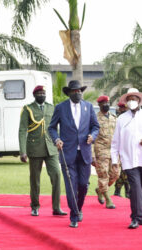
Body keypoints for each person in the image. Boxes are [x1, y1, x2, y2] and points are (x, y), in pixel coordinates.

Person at [48, 80, 99, 228]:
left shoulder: (88, 107)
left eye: (79, 91)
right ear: (69, 93)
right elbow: (51, 127)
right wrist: (56, 139)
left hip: (84, 152)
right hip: (67, 153)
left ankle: (78, 208)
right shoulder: (61, 108)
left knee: (83, 185)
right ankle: (74, 215)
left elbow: (95, 126)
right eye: (74, 92)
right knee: (71, 185)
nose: (77, 94)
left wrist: (92, 136)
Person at [111, 88, 142, 229]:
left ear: (139, 100)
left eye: (134, 99)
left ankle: (140, 215)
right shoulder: (121, 119)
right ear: (126, 102)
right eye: (129, 99)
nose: (132, 101)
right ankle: (135, 218)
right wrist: (115, 161)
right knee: (135, 188)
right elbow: (115, 142)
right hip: (129, 160)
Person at [19, 85, 67, 217]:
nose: (42, 95)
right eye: (39, 93)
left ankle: (56, 207)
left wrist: (59, 140)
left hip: (51, 148)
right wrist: (22, 151)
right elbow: (23, 130)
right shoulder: (28, 109)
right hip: (34, 148)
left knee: (57, 175)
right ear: (34, 95)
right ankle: (35, 206)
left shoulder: (51, 107)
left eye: (43, 93)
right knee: (35, 179)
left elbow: (56, 127)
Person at [92, 95, 119, 209]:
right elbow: (90, 138)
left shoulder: (114, 118)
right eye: (103, 103)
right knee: (103, 174)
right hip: (101, 150)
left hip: (113, 151)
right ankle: (108, 199)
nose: (106, 105)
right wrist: (92, 155)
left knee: (115, 174)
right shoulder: (94, 119)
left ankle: (100, 189)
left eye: (107, 102)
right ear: (99, 105)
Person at [114, 101, 130, 198]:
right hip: (119, 149)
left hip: (127, 148)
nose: (123, 110)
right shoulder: (117, 119)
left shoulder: (130, 118)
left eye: (124, 108)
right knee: (124, 172)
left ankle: (120, 191)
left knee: (126, 171)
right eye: (121, 108)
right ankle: (122, 191)